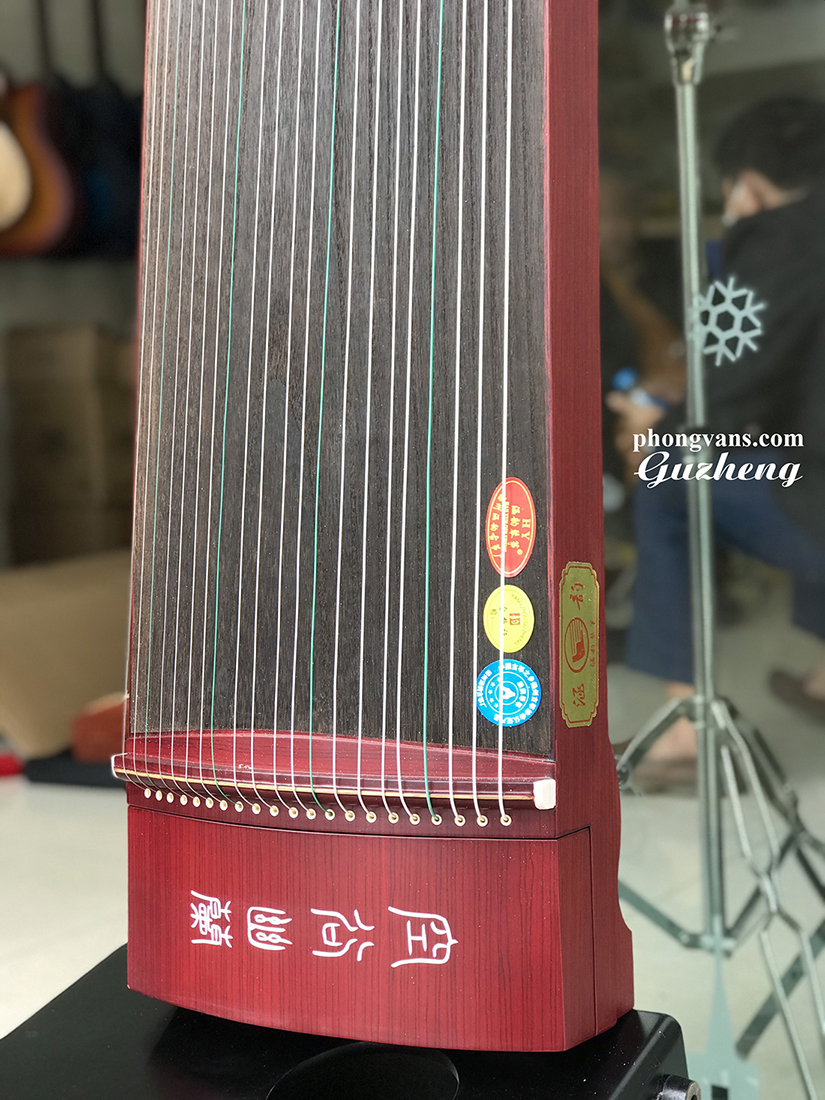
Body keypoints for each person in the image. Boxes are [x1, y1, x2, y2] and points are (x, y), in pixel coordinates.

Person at [608, 96, 825, 783]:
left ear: (746, 186)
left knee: (671, 476)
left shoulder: (774, 243)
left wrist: (656, 424)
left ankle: (686, 732)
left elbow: (718, 391)